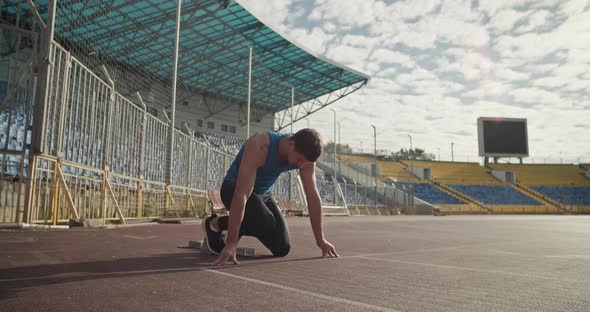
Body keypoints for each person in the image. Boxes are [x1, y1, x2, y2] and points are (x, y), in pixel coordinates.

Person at [202, 128, 339, 266]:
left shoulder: (306, 159)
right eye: (299, 160)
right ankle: (214, 224)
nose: (301, 165)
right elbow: (241, 195)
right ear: (291, 145)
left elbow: (312, 197)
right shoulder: (260, 145)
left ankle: (224, 223)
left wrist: (320, 240)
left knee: (282, 247)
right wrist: (231, 243)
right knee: (265, 220)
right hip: (233, 189)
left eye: (305, 163)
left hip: (263, 194)